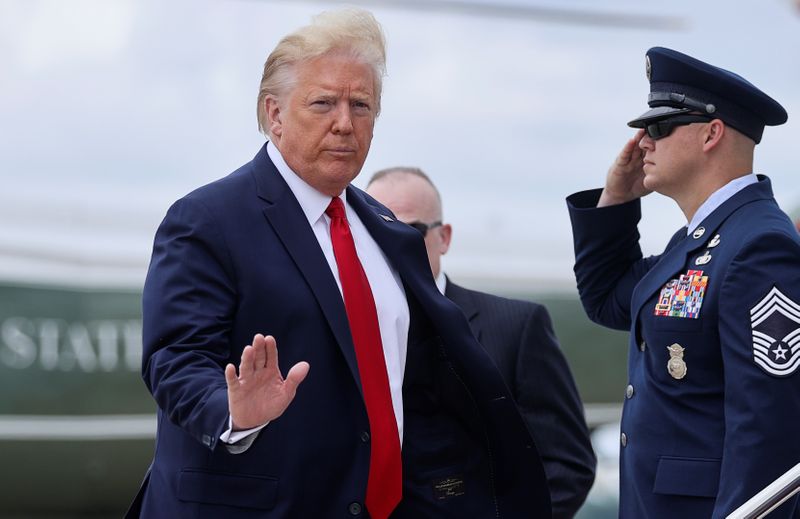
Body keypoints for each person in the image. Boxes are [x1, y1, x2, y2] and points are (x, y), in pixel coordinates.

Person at [126, 8, 551, 519]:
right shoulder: (207, 220)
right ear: (275, 114)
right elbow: (173, 357)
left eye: (362, 105)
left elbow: (414, 384)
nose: (345, 123)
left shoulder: (387, 230)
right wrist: (232, 411)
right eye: (323, 103)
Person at [566, 46, 800, 518]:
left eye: (658, 127)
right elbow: (608, 299)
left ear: (712, 133)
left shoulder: (758, 246)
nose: (642, 142)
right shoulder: (700, 242)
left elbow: (769, 432)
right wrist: (614, 199)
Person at [365, 167, 596, 518]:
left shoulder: (518, 326)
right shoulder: (345, 331)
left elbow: (568, 463)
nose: (394, 243)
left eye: (411, 230)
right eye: (377, 230)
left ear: (444, 237)